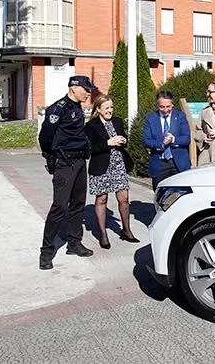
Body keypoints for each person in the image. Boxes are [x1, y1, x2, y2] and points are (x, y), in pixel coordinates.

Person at [38, 75, 97, 270]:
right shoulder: (58, 108)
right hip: (65, 162)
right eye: (85, 89)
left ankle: (74, 243)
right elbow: (45, 136)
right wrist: (52, 157)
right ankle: (46, 252)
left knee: (78, 204)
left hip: (80, 161)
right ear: (73, 88)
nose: (88, 93)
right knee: (59, 207)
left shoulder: (77, 107)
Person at [84, 94, 139, 249]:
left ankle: (126, 230)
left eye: (111, 107)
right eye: (106, 107)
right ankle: (103, 234)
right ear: (98, 109)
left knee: (124, 198)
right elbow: (88, 149)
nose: (110, 110)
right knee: (102, 199)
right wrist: (107, 143)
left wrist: (124, 140)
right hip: (101, 167)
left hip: (118, 165)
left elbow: (124, 137)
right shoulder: (91, 126)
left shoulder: (117, 121)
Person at [143, 90, 191, 190]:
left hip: (178, 163)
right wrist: (161, 143)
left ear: (172, 104)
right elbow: (146, 141)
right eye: (162, 107)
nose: (165, 110)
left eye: (168, 106)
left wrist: (173, 139)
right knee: (160, 194)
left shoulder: (180, 116)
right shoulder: (151, 119)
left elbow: (187, 138)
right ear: (157, 105)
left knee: (181, 194)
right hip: (159, 163)